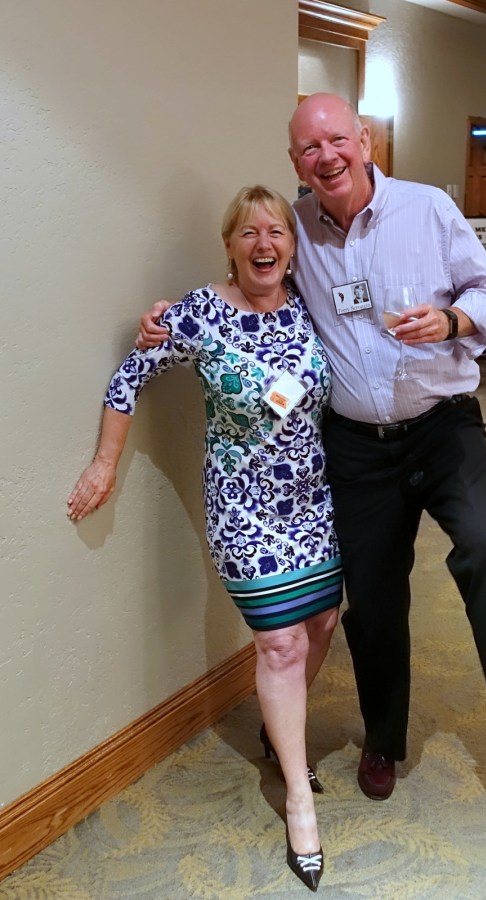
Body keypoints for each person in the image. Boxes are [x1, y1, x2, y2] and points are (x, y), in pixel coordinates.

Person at [137, 93, 486, 805]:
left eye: (338, 140)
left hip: (443, 425)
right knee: (372, 600)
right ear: (296, 162)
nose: (327, 156)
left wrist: (450, 320)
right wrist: (169, 319)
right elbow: (250, 281)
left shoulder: (426, 209)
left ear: (365, 141)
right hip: (355, 446)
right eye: (310, 148)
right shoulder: (294, 227)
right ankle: (382, 739)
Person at [68, 185, 342, 892]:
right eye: (249, 232)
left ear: (291, 247)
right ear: (229, 246)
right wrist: (104, 463)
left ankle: (275, 734)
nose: (263, 244)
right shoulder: (196, 313)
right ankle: (298, 796)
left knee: (321, 623)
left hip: (314, 503)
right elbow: (127, 379)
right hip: (243, 508)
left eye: (276, 232)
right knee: (278, 642)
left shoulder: (308, 301)